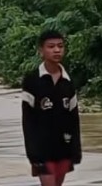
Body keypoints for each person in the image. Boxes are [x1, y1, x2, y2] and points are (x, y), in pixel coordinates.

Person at [21, 30, 82, 186]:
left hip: (63, 147)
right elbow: (28, 121)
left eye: (60, 46)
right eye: (51, 46)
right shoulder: (32, 80)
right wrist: (33, 154)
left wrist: (76, 151)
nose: (56, 50)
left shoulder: (68, 82)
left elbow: (74, 119)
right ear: (41, 50)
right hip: (41, 150)